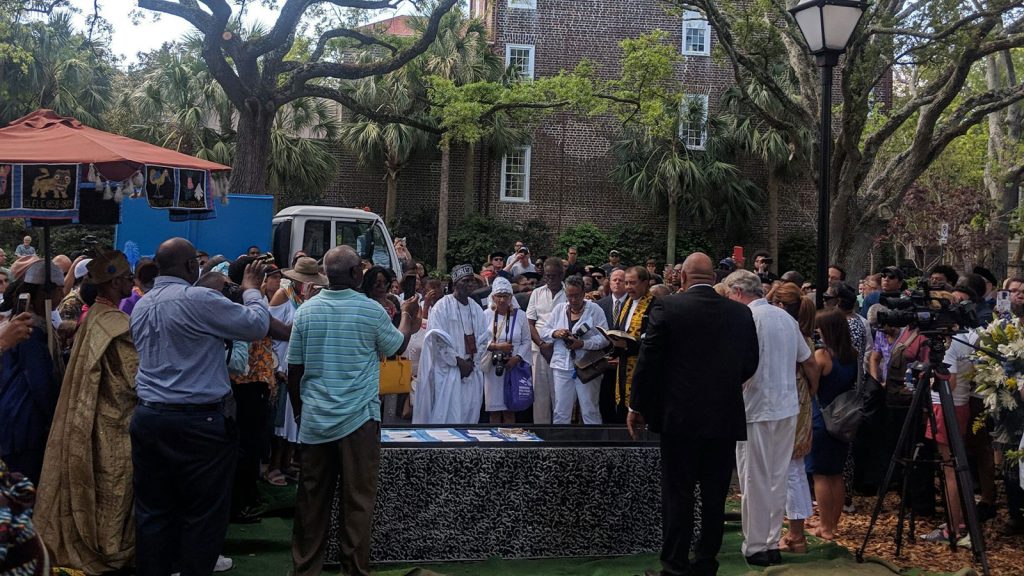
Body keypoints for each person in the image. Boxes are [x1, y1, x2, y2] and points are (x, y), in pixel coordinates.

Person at [129, 237, 272, 576]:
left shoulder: (143, 304)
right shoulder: (197, 299)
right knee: (203, 515)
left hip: (149, 416)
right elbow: (256, 325)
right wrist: (252, 289)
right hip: (197, 422)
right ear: (192, 267)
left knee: (153, 513)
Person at [287, 245, 419, 576]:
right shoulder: (371, 311)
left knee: (311, 501)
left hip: (315, 421)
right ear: (356, 274)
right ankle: (354, 570)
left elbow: (294, 373)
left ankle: (305, 569)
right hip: (359, 421)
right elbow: (397, 346)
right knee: (357, 502)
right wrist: (407, 318)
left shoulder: (305, 311)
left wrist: (301, 413)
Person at [628, 253, 759, 576]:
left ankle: (674, 564)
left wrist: (638, 405)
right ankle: (705, 563)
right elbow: (750, 363)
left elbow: (649, 362)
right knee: (715, 496)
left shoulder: (668, 308)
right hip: (723, 417)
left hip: (679, 417)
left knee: (678, 494)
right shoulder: (740, 314)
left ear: (682, 278)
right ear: (714, 277)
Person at [34, 251, 138, 573]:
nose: (132, 281)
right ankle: (110, 545)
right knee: (113, 483)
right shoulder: (117, 325)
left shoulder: (93, 315)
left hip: (90, 413)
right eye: (127, 277)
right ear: (117, 282)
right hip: (113, 420)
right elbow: (131, 379)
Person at [724, 269, 817, 567]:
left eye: (728, 294)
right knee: (777, 478)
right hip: (786, 406)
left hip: (757, 407)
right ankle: (770, 541)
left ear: (738, 292)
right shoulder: (786, 319)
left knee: (755, 478)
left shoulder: (748, 319)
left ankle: (756, 546)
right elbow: (809, 361)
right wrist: (809, 396)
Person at [0, 260, 65, 484]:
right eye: (60, 289)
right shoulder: (29, 330)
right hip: (22, 425)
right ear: (49, 291)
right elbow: (41, 384)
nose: (62, 295)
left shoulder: (17, 322)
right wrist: (55, 419)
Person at [767, 282, 816, 554]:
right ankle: (792, 530)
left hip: (792, 407)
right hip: (798, 402)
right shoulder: (799, 332)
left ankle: (797, 533)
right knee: (790, 470)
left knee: (792, 470)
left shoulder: (792, 333)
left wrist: (812, 387)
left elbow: (812, 366)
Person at [415, 264, 488, 424]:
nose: (470, 284)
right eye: (466, 281)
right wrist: (458, 362)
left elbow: (484, 339)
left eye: (472, 281)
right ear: (455, 284)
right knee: (447, 416)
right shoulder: (442, 307)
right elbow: (437, 339)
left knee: (470, 415)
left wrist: (472, 361)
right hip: (449, 371)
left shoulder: (476, 308)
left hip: (472, 370)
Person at [808, 309, 858, 541]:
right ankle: (833, 523)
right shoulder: (852, 354)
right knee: (836, 475)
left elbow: (813, 387)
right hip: (844, 418)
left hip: (823, 417)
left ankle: (825, 526)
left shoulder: (822, 355)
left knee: (820, 475)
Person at [541, 275, 609, 424]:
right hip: (562, 366)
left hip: (586, 366)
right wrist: (556, 333)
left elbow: (604, 338)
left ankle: (594, 446)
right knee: (560, 410)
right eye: (569, 296)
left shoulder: (594, 309)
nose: (572, 300)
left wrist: (583, 344)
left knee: (589, 408)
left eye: (576, 296)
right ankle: (560, 445)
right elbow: (544, 332)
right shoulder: (559, 309)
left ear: (584, 293)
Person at [482, 278, 532, 424]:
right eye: (499, 296)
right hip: (493, 367)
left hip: (513, 366)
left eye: (505, 296)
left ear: (511, 297)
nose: (502, 300)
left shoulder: (520, 315)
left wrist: (516, 358)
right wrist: (497, 347)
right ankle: (494, 443)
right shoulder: (486, 315)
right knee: (494, 410)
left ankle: (511, 442)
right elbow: (481, 340)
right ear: (493, 297)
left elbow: (526, 341)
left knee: (510, 409)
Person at [608, 266, 653, 423]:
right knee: (621, 410)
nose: (628, 287)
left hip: (642, 366)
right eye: (626, 283)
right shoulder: (627, 302)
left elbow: (652, 340)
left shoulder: (654, 304)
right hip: (623, 363)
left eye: (632, 283)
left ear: (645, 283)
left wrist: (627, 345)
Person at [527, 258, 567, 423]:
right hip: (539, 348)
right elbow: (529, 322)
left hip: (561, 348)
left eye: (553, 276)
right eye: (547, 276)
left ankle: (559, 434)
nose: (549, 279)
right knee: (540, 394)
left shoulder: (567, 293)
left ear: (561, 274)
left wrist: (552, 345)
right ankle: (541, 433)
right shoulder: (537, 293)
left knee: (560, 393)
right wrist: (542, 345)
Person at [596, 268, 629, 422]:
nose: (617, 282)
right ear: (609, 282)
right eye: (614, 279)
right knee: (604, 400)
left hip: (625, 360)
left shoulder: (632, 304)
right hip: (603, 360)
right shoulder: (599, 305)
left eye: (620, 280)